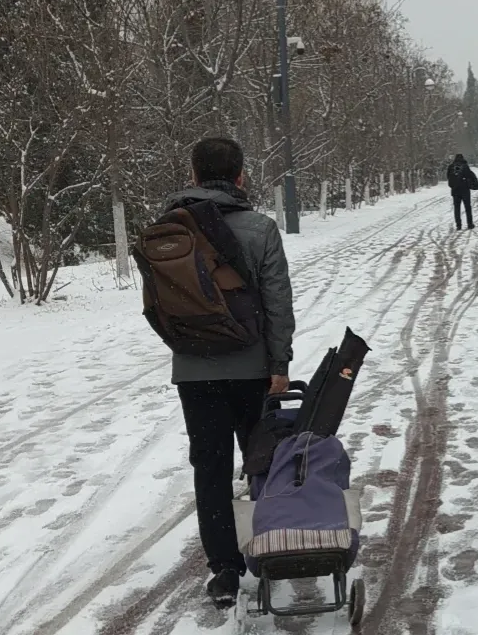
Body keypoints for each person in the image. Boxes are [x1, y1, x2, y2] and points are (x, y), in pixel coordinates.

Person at [165, 137, 295, 606]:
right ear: (240, 176)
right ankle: (272, 548)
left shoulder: (170, 228)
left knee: (211, 467)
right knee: (262, 458)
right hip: (252, 367)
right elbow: (278, 302)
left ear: (194, 175)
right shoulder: (260, 229)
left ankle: (224, 569)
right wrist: (279, 362)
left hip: (194, 370)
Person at [447, 153, 478, 230]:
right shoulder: (465, 167)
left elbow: (448, 177)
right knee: (468, 207)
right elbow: (470, 176)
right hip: (465, 190)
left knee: (457, 208)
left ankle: (458, 225)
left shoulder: (451, 167)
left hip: (455, 191)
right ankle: (470, 224)